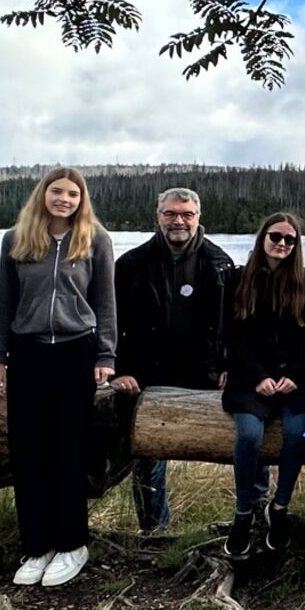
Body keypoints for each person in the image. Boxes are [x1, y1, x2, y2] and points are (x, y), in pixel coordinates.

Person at [0, 166, 117, 590]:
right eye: (57, 191)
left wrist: (106, 353)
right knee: (28, 451)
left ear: (82, 200)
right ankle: (36, 544)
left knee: (69, 449)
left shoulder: (94, 239)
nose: (64, 199)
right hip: (27, 352)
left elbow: (105, 301)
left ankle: (72, 543)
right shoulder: (17, 238)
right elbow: (4, 303)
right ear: (43, 194)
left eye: (73, 194)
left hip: (75, 351)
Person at [109, 188, 234, 536]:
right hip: (147, 377)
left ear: (198, 217)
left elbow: (234, 323)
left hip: (206, 376)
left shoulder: (220, 264)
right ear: (158, 216)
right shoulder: (131, 264)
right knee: (146, 458)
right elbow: (111, 322)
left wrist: (231, 366)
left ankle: (243, 525)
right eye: (170, 214)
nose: (179, 221)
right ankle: (155, 531)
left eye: (186, 214)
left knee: (250, 437)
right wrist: (119, 371)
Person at [220, 210, 305, 560]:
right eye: (275, 236)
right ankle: (243, 512)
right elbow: (231, 337)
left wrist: (292, 374)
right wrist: (259, 377)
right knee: (249, 435)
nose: (281, 244)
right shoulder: (237, 279)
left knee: (296, 434)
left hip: (295, 378)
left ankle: (279, 507)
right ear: (263, 237)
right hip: (249, 378)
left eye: (289, 239)